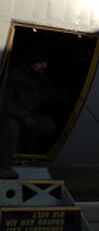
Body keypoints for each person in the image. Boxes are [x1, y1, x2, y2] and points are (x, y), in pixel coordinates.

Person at [0, 49, 59, 179]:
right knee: (10, 126)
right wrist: (24, 116)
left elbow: (45, 97)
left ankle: (22, 147)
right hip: (10, 116)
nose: (44, 66)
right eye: (40, 62)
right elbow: (4, 103)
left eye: (45, 62)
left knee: (47, 125)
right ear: (31, 62)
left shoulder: (39, 78)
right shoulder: (14, 76)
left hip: (26, 116)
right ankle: (3, 167)